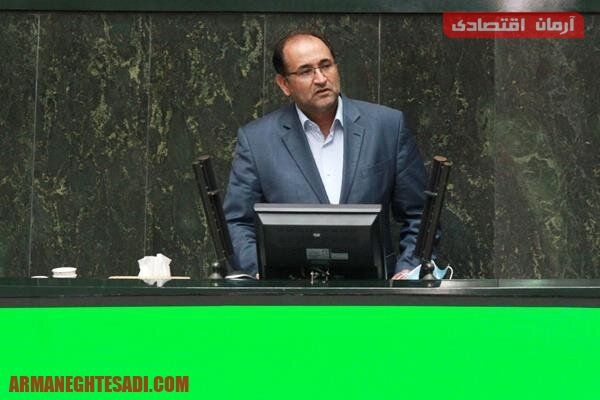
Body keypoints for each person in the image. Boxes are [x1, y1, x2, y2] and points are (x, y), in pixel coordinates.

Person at [223, 31, 428, 280]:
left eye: (326, 65)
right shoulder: (257, 140)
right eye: (305, 71)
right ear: (284, 84)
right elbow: (237, 222)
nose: (321, 79)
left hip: (374, 291)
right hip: (292, 294)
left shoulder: (387, 126)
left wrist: (408, 270)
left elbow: (420, 214)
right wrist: (262, 272)